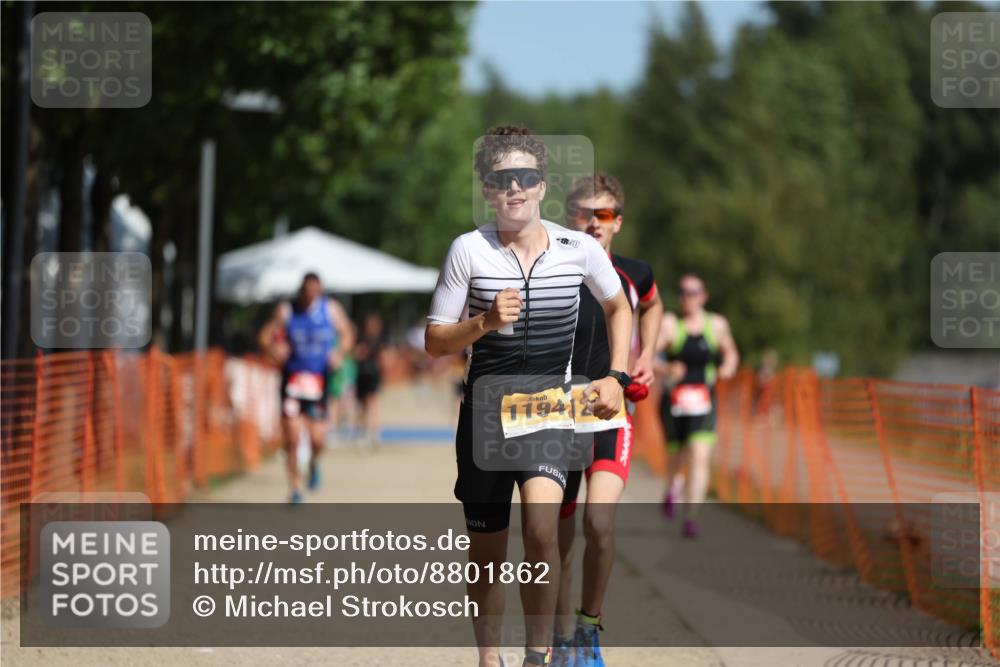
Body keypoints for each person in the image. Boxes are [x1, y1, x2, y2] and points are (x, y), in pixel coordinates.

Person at [425, 126, 632, 667]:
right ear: (487, 190)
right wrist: (484, 322)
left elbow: (620, 307)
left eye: (526, 177)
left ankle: (537, 656)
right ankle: (488, 657)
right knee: (487, 556)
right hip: (484, 420)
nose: (515, 187)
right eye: (502, 179)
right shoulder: (469, 251)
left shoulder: (578, 249)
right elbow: (434, 341)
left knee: (542, 533)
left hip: (547, 412)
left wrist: (616, 375)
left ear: (542, 185)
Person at [552, 173, 662, 667]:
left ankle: (588, 627)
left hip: (608, 416)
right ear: (568, 217)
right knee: (555, 540)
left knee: (599, 523)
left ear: (618, 222)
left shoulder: (635, 274)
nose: (594, 223)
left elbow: (653, 304)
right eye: (584, 213)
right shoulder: (550, 268)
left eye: (604, 214)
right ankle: (558, 637)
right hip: (555, 416)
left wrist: (648, 355)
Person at [258, 273, 354, 504]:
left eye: (315, 293)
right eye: (307, 292)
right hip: (292, 380)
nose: (311, 297)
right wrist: (274, 350)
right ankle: (295, 488)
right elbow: (264, 336)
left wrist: (339, 353)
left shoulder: (330, 309)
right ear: (301, 291)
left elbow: (347, 333)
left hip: (319, 381)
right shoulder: (287, 310)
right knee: (292, 437)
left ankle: (313, 463)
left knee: (317, 439)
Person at [655, 274, 739, 536]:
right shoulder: (671, 324)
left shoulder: (716, 325)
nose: (687, 297)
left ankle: (691, 517)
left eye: (693, 292)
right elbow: (648, 357)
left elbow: (731, 353)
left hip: (704, 401)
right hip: (674, 401)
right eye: (683, 292)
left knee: (699, 455)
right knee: (676, 457)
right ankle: (672, 488)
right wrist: (667, 368)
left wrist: (728, 367)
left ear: (703, 296)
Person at [354, 311, 386, 451]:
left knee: (372, 403)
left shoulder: (379, 340)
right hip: (362, 374)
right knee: (361, 406)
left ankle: (374, 432)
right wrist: (360, 352)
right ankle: (362, 432)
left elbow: (383, 358)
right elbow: (355, 354)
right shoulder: (361, 338)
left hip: (373, 374)